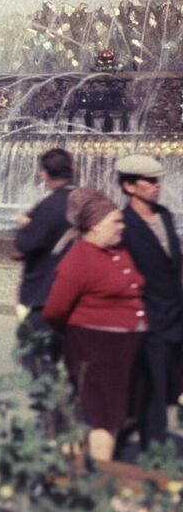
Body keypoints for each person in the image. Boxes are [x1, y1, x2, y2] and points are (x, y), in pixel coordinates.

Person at [43, 187, 148, 462]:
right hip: (96, 348)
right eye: (116, 221)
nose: (122, 225)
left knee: (118, 413)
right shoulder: (79, 258)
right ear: (94, 225)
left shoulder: (118, 251)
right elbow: (55, 309)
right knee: (104, 417)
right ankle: (99, 484)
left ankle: (79, 466)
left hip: (127, 350)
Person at [116, 154, 183, 451]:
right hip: (149, 320)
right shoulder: (124, 226)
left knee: (172, 386)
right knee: (153, 392)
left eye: (158, 180)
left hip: (177, 314)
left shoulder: (165, 216)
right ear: (130, 186)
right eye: (150, 181)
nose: (157, 185)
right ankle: (153, 458)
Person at [15, 147, 75, 375]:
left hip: (46, 296)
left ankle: (53, 407)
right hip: (79, 297)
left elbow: (26, 244)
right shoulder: (87, 203)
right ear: (73, 170)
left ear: (44, 175)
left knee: (38, 362)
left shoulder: (47, 208)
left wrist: (23, 226)